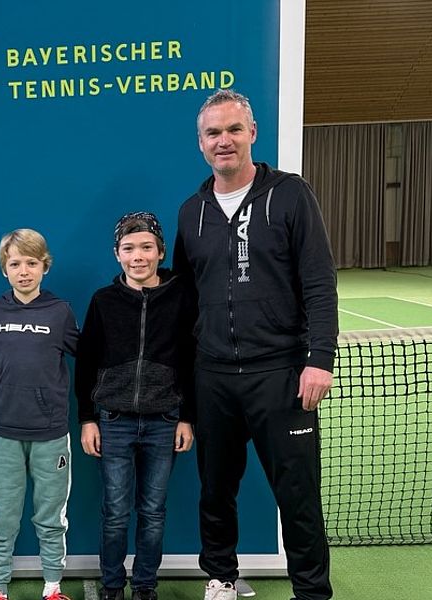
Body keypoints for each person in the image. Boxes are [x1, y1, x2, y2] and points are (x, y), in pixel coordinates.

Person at [172, 89, 338, 600]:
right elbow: (185, 301)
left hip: (281, 374)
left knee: (298, 494)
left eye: (233, 130)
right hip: (213, 377)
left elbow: (319, 281)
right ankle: (221, 577)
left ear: (252, 133)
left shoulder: (290, 194)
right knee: (216, 492)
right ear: (201, 143)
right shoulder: (191, 212)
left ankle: (311, 592)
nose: (224, 140)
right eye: (213, 133)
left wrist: (319, 360)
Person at [74, 212, 197, 600]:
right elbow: (86, 362)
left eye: (146, 247)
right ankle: (112, 586)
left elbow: (191, 361)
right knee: (114, 512)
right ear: (117, 254)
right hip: (113, 421)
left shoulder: (182, 297)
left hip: (165, 421)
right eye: (128, 248)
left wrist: (187, 418)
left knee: (153, 511)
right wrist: (87, 418)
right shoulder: (103, 301)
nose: (138, 256)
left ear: (161, 251)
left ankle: (145, 585)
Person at [0, 229, 79, 600]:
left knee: (51, 518)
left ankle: (53, 585)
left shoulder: (60, 312)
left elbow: (91, 355)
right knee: (3, 518)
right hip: (3, 435)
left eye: (31, 263)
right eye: (15, 264)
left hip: (51, 435)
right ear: (4, 270)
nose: (23, 271)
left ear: (45, 266)